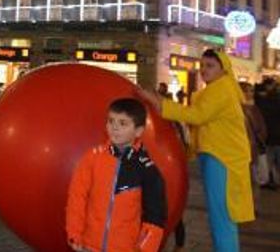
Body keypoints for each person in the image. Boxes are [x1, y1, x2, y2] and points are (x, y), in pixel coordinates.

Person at [139, 49, 253, 251]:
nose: (203, 70)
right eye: (202, 66)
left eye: (210, 66)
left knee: (222, 216)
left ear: (223, 69)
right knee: (223, 215)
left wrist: (160, 104)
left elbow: (197, 115)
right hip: (219, 156)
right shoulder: (219, 88)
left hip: (222, 158)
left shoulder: (221, 89)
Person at [65, 98, 167, 252]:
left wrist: (144, 249)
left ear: (138, 131)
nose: (114, 127)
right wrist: (74, 234)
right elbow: (77, 198)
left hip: (125, 248)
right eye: (111, 121)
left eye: (123, 123)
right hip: (88, 245)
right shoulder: (92, 158)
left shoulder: (146, 168)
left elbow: (155, 215)